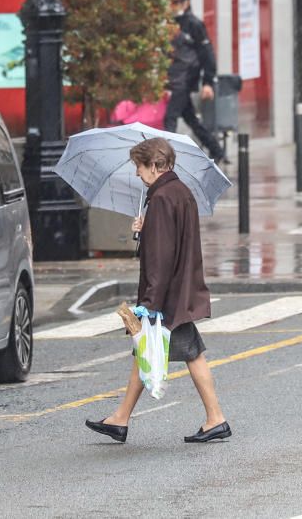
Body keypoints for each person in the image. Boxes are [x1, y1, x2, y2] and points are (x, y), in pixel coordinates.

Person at [85, 138, 230, 444]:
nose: (137, 173)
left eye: (139, 166)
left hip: (168, 295)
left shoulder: (162, 198)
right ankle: (121, 419)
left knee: (176, 352)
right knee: (151, 350)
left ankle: (215, 418)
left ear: (154, 165)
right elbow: (169, 241)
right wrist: (145, 229)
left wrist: (150, 303)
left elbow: (162, 256)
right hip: (179, 289)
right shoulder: (179, 192)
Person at [165, 0, 226, 164]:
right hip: (174, 78)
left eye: (176, 2)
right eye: (170, 2)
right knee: (190, 118)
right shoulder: (170, 24)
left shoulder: (194, 24)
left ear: (186, 3)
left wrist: (208, 82)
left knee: (170, 118)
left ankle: (164, 159)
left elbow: (207, 54)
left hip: (184, 79)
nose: (172, 6)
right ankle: (216, 149)